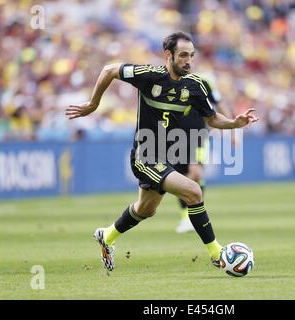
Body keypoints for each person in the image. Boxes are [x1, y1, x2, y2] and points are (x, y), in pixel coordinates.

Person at [66, 31, 258, 272]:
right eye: (183, 55)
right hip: (144, 156)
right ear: (168, 55)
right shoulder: (149, 75)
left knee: (146, 209)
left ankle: (107, 235)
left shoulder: (195, 86)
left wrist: (233, 123)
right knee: (193, 191)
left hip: (166, 156)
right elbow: (109, 70)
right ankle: (218, 253)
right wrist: (93, 104)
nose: (188, 60)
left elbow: (211, 118)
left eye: (192, 55)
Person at [173, 75, 234, 234]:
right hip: (175, 136)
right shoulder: (169, 80)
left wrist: (232, 128)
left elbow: (219, 103)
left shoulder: (204, 81)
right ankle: (185, 218)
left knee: (195, 174)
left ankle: (195, 215)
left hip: (198, 134)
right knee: (182, 179)